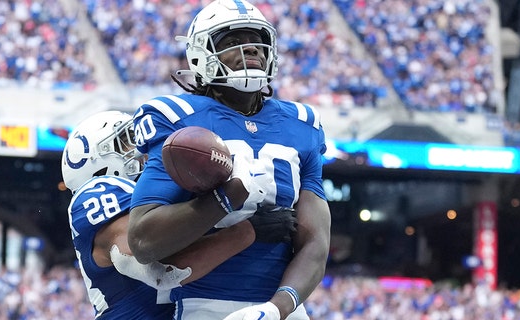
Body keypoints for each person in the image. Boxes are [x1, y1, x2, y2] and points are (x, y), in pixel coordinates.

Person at [127, 1, 331, 319]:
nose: (251, 50)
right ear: (200, 54)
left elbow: (316, 241)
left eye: (257, 42)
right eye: (233, 42)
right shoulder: (178, 118)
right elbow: (143, 239)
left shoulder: (302, 124)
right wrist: (225, 202)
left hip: (281, 308)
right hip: (205, 304)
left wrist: (276, 309)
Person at [62, 111, 297, 319]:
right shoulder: (94, 194)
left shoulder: (157, 198)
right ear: (94, 161)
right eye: (126, 141)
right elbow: (161, 270)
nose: (142, 148)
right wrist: (246, 230)